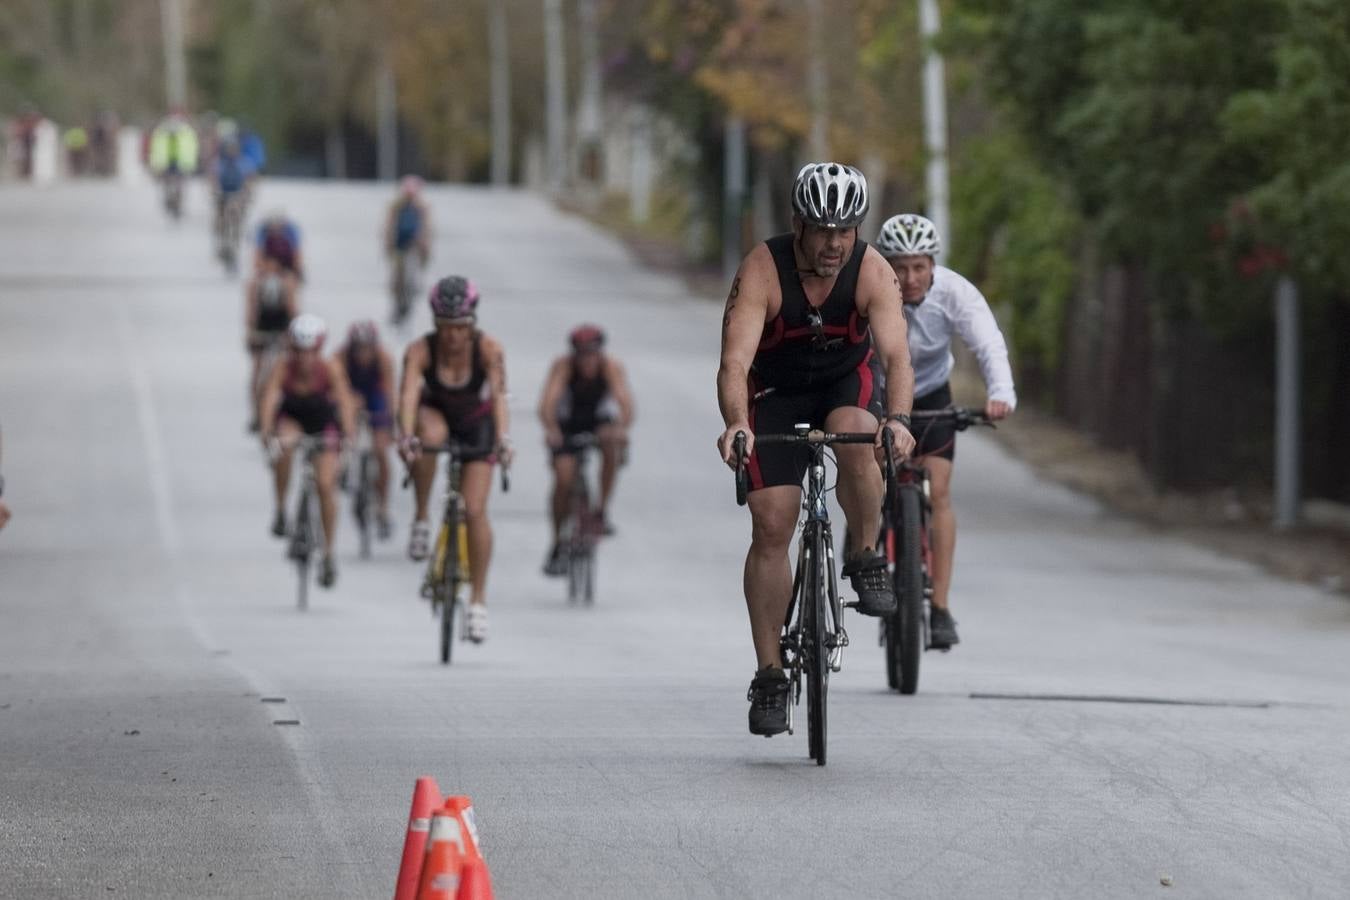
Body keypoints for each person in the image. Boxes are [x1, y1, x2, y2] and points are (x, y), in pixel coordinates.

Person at [715, 162, 917, 737]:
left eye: (846, 231)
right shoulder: (763, 270)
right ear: (798, 223)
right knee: (772, 523)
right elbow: (733, 363)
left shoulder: (872, 270)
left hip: (842, 384)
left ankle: (865, 555)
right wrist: (735, 424)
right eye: (824, 230)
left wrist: (898, 420)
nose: (835, 244)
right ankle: (771, 675)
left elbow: (897, 357)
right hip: (774, 392)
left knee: (859, 433)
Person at [873, 213, 1016, 649]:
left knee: (941, 491)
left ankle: (940, 609)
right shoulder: (870, 287)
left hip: (932, 394)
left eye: (919, 266)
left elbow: (987, 340)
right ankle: (863, 533)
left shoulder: (955, 292)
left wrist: (1000, 393)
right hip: (879, 393)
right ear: (886, 265)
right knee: (871, 475)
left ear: (933, 264)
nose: (911, 277)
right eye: (900, 266)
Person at [397, 277, 512, 644]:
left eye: (460, 328)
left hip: (476, 425)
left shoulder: (489, 350)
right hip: (436, 417)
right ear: (436, 325)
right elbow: (408, 398)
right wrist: (405, 436)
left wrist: (504, 440)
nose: (453, 337)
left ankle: (478, 602)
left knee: (475, 510)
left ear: (472, 324)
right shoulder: (419, 351)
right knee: (428, 436)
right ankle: (421, 518)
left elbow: (499, 398)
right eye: (445, 327)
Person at [258, 314, 359, 589]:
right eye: (299, 352)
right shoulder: (283, 367)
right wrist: (267, 432)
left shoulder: (330, 369)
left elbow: (346, 403)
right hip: (292, 419)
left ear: (319, 349)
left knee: (326, 485)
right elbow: (269, 397)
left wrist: (349, 435)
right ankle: (281, 510)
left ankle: (328, 553)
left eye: (310, 352)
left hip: (322, 422)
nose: (304, 358)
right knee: (284, 446)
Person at [537, 324, 635, 575]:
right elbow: (547, 404)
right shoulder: (563, 367)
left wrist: (623, 429)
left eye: (592, 353)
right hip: (567, 424)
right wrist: (551, 430)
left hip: (597, 422)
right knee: (563, 479)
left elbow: (625, 404)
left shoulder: (610, 367)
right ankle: (558, 539)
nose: (587, 360)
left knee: (611, 442)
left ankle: (600, 510)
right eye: (581, 354)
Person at [337, 319, 397, 538]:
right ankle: (344, 463)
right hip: (351, 395)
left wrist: (391, 424)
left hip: (376, 396)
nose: (363, 354)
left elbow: (391, 393)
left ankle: (382, 506)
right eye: (358, 349)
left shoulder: (383, 358)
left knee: (381, 451)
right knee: (348, 414)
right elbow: (337, 388)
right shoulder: (341, 357)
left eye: (367, 349)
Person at [244, 255, 300, 430]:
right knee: (258, 369)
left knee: (286, 366)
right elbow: (251, 311)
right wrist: (251, 333)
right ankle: (255, 412)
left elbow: (292, 310)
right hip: (263, 328)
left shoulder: (287, 282)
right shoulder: (255, 283)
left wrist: (292, 334)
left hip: (281, 328)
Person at [255, 211, 304, 280]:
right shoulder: (263, 234)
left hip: (286, 265)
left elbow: (297, 254)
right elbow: (258, 255)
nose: (275, 229)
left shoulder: (290, 233)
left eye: (278, 225)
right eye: (272, 226)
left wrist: (297, 270)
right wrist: (261, 270)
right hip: (269, 264)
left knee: (289, 280)